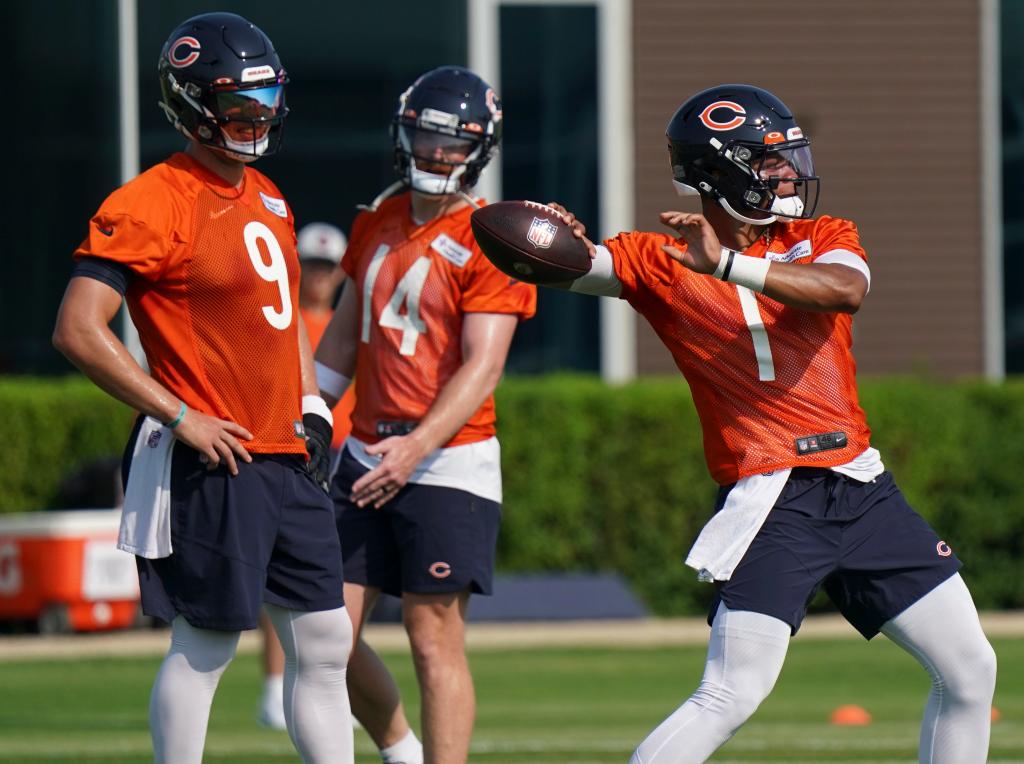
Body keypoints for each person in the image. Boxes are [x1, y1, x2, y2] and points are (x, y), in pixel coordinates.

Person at [540, 84, 997, 763]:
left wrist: (727, 263)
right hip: (774, 497)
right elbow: (568, 266)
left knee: (970, 670)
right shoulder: (655, 258)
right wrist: (550, 236)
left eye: (788, 160)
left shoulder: (821, 235)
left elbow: (846, 291)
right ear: (717, 174)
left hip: (860, 486)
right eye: (768, 162)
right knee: (731, 694)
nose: (787, 175)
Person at [52, 13, 354, 763]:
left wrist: (312, 404)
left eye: (265, 97)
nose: (256, 115)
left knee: (325, 639)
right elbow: (79, 329)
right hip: (218, 456)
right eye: (236, 101)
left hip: (288, 452)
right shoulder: (153, 199)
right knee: (208, 639)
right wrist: (180, 414)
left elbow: (279, 327)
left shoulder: (271, 197)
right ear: (191, 104)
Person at [313, 66, 536, 764]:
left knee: (430, 633)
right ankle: (401, 750)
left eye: (451, 142)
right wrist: (310, 414)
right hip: (365, 451)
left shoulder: (492, 236)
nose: (436, 153)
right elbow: (344, 339)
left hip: (450, 459)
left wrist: (415, 449)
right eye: (425, 137)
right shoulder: (377, 219)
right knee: (322, 636)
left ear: (478, 149)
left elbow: (483, 365)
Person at [258, 221, 355, 730]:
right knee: (282, 575)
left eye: (327, 268)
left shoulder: (346, 320)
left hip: (343, 451)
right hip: (298, 446)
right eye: (311, 267)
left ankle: (321, 688)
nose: (319, 277)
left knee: (329, 584)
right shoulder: (281, 316)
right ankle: (274, 686)